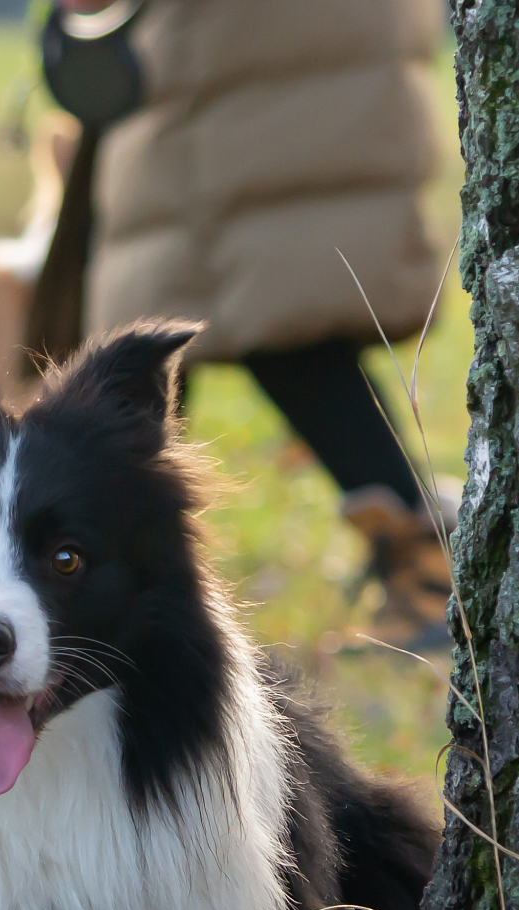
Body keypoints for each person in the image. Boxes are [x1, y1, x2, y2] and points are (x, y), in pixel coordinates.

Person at [37, 0, 455, 649]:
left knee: (189, 324)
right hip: (307, 50)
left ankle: (101, 582)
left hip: (226, 60)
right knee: (268, 310)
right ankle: (423, 559)